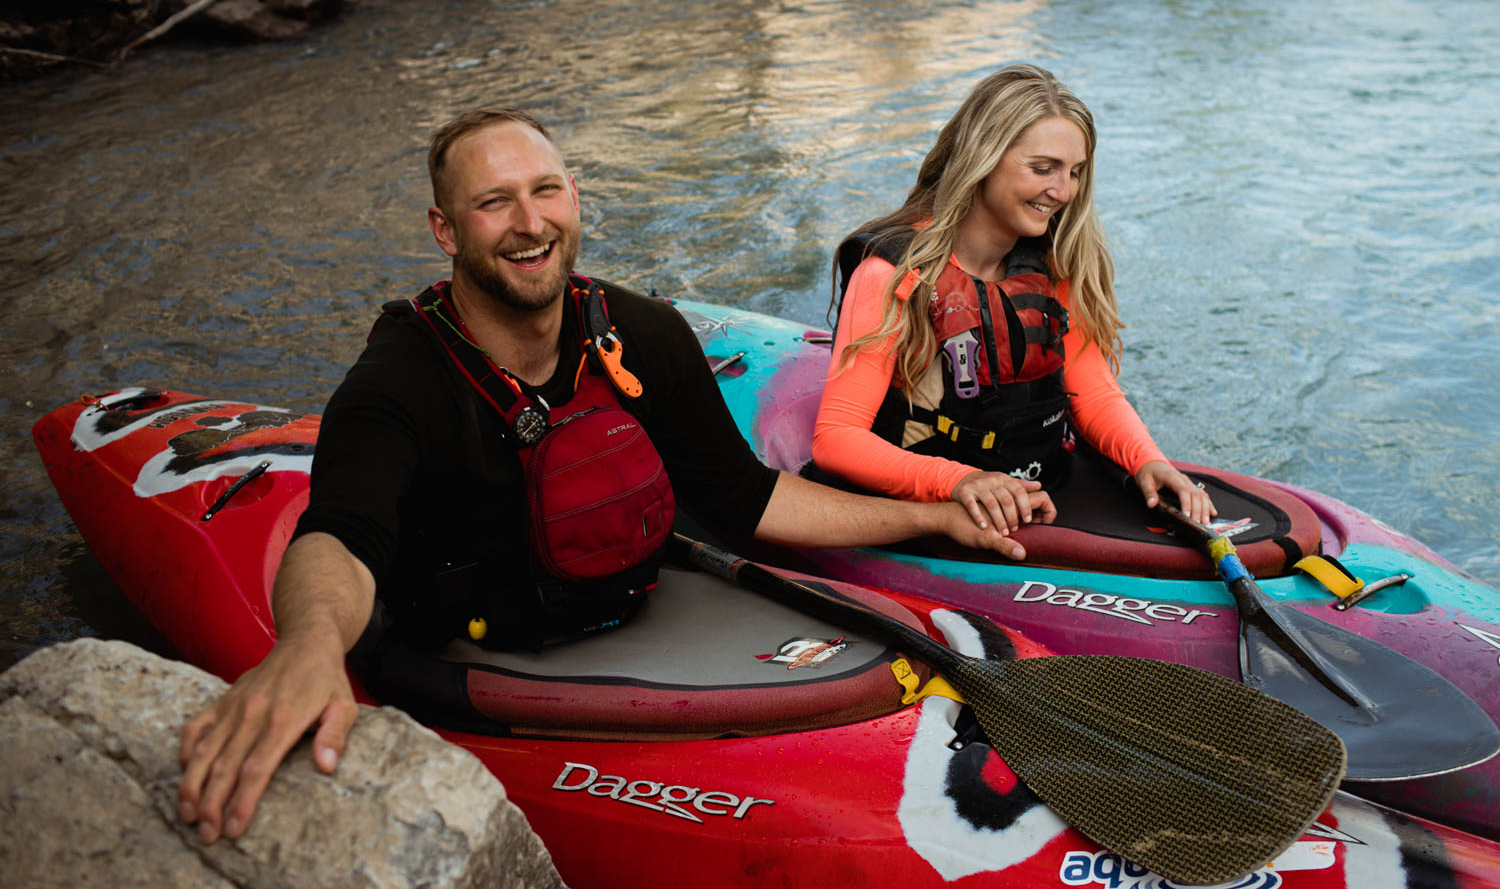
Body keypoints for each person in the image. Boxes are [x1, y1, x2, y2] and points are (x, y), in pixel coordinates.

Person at [177, 107, 1026, 846]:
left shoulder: (640, 333)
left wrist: (934, 508)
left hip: (636, 611)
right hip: (476, 655)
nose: (528, 221)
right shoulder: (397, 380)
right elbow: (340, 537)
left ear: (574, 197)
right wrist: (310, 646)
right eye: (493, 201)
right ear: (446, 230)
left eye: (545, 190)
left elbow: (746, 497)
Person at [810, 64, 1215, 538]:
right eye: (1042, 169)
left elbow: (1093, 390)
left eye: (1075, 172)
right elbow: (836, 439)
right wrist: (961, 481)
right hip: (935, 497)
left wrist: (1146, 458)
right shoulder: (893, 274)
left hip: (1044, 481)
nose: (1062, 192)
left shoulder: (1052, 263)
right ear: (981, 158)